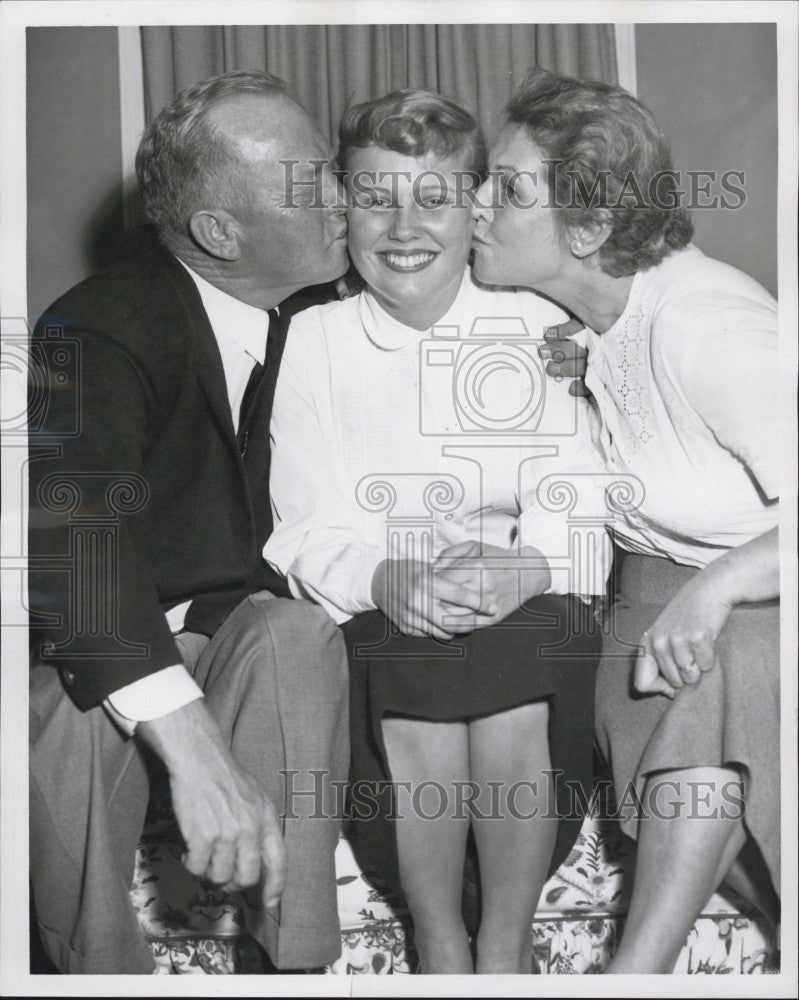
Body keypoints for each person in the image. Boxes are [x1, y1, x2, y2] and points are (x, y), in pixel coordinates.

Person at [264, 90, 611, 974]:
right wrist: (389, 580)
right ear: (343, 209)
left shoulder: (538, 327)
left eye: (434, 198)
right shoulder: (311, 341)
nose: (404, 226)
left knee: (516, 650)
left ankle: (503, 941)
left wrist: (526, 568)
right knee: (414, 650)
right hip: (385, 598)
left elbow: (580, 492)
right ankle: (439, 942)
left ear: (474, 211)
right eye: (377, 198)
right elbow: (305, 526)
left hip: (530, 594)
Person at [28, 70, 351, 974]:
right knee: (75, 718)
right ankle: (92, 975)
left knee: (292, 634)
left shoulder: (322, 314)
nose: (342, 196)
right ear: (217, 233)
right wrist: (197, 751)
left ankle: (293, 964)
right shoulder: (102, 324)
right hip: (106, 640)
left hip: (236, 638)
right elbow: (71, 538)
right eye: (310, 180)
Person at [471, 67, 781, 974]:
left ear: (591, 226)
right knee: (683, 670)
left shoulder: (711, 328)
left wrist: (719, 586)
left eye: (508, 188)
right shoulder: (584, 311)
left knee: (732, 666)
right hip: (651, 607)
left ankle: (628, 977)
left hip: (758, 602)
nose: (477, 205)